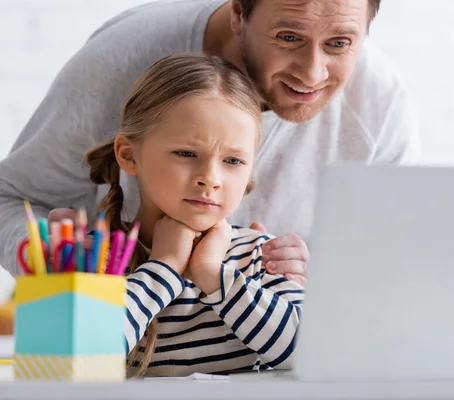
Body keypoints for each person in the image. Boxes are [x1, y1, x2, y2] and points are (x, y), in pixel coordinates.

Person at [0, 0, 420, 279]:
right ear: (239, 12)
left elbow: (393, 262)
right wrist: (46, 261)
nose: (312, 73)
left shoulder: (378, 101)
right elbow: (9, 197)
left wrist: (312, 282)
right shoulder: (122, 62)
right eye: (288, 37)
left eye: (340, 43)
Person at [87, 53, 303, 377]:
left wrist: (212, 275)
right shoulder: (97, 258)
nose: (210, 178)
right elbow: (80, 359)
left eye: (233, 161)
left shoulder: (263, 256)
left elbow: (308, 355)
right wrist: (163, 268)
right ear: (129, 155)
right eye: (186, 153)